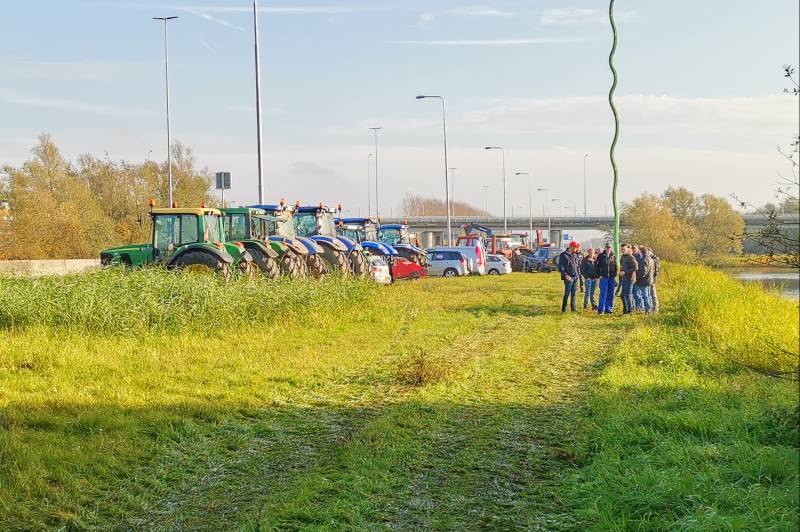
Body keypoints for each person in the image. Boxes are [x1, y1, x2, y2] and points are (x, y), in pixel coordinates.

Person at [557, 241, 581, 313]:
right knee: (567, 293)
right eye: (575, 247)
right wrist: (566, 275)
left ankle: (573, 309)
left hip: (575, 277)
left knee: (574, 294)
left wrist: (578, 275)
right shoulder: (563, 255)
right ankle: (564, 309)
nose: (576, 249)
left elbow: (577, 265)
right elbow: (561, 267)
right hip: (568, 277)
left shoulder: (575, 255)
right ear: (571, 247)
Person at [596, 243, 617, 314]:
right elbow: (596, 266)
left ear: (611, 248)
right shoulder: (601, 256)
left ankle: (608, 309)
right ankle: (600, 309)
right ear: (605, 248)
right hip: (604, 277)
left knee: (611, 293)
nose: (608, 249)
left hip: (611, 278)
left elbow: (616, 267)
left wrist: (614, 276)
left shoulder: (613, 256)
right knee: (603, 293)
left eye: (609, 248)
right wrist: (599, 275)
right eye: (607, 247)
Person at [633, 246, 655, 313]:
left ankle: (648, 310)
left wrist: (636, 278)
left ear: (641, 252)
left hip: (643, 281)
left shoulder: (644, 260)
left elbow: (643, 271)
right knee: (648, 295)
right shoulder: (650, 259)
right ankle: (649, 309)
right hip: (649, 279)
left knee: (645, 296)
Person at [619, 244, 637, 315]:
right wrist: (621, 272)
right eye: (621, 249)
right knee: (623, 295)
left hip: (630, 279)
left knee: (628, 295)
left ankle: (630, 312)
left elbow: (636, 268)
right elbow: (622, 266)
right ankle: (625, 311)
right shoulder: (623, 257)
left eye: (624, 249)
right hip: (624, 279)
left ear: (627, 249)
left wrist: (625, 272)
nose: (622, 250)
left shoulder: (631, 257)